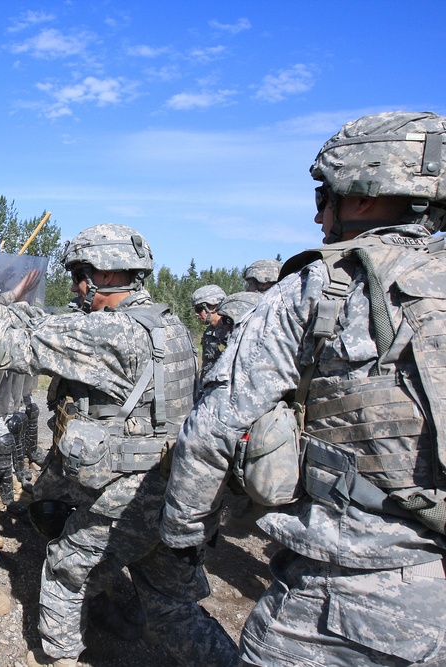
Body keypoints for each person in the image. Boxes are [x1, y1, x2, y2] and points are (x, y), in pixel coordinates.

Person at [161, 111, 446, 666]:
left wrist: (181, 536)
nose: (319, 215)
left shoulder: (322, 286)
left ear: (363, 195)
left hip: (350, 597)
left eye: (324, 195)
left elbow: (213, 429)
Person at [0, 224, 237, 667]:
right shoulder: (166, 324)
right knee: (173, 608)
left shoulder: (111, 333)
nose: (77, 286)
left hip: (132, 491)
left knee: (64, 571)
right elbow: (58, 324)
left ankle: (60, 658)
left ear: (102, 274)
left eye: (80, 274)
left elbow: (11, 347)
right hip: (180, 489)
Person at [191, 284, 226, 380]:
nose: (196, 314)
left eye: (199, 309)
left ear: (213, 306)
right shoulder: (209, 332)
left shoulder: (231, 332)